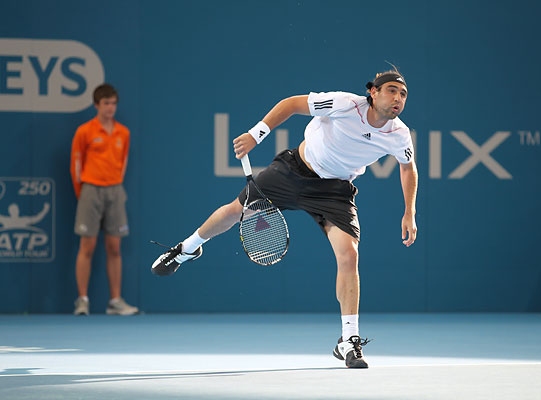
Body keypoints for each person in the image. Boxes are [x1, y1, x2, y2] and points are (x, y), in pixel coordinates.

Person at [151, 69, 418, 368]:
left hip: (334, 191)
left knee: (349, 254)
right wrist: (256, 135)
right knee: (235, 211)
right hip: (294, 171)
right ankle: (186, 248)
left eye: (403, 94)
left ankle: (348, 340)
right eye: (392, 90)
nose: (398, 98)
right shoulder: (344, 104)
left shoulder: (399, 134)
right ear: (373, 92)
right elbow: (291, 104)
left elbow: (408, 167)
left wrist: (409, 211)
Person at [70, 83, 139, 316]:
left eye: (113, 103)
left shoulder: (123, 133)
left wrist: (115, 186)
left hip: (115, 190)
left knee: (114, 247)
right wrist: (83, 193)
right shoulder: (84, 131)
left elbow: (123, 164)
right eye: (106, 103)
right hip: (90, 190)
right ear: (96, 105)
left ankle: (115, 301)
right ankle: (82, 300)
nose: (110, 108)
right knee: (87, 246)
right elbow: (76, 166)